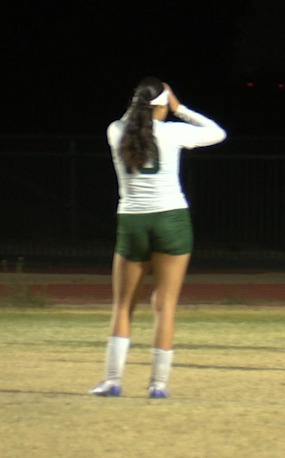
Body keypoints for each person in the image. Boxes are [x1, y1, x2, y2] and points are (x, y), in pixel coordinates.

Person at [90, 77, 226, 398]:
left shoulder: (115, 131)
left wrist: (146, 104)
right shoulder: (172, 131)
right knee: (165, 306)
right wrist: (180, 108)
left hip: (133, 221)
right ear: (163, 104)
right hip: (171, 219)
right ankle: (158, 385)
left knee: (123, 305)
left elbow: (133, 119)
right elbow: (218, 133)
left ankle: (112, 380)